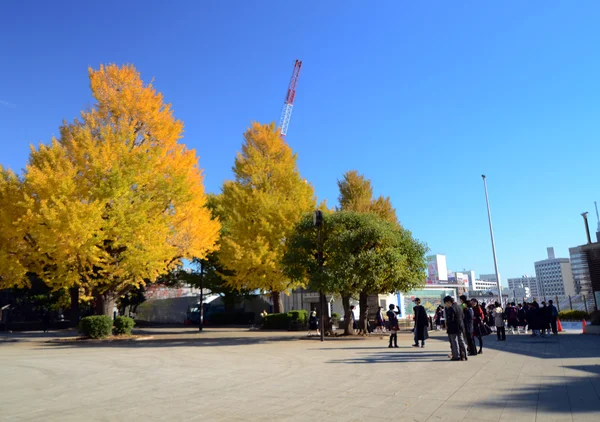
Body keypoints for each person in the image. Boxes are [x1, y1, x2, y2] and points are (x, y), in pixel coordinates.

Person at [444, 296, 468, 361]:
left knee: (454, 342)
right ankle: (465, 355)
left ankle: (456, 356)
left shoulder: (451, 308)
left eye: (446, 303)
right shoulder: (459, 307)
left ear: (448, 302)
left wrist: (447, 325)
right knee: (461, 341)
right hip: (460, 326)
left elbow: (450, 319)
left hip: (453, 327)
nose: (446, 305)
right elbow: (463, 316)